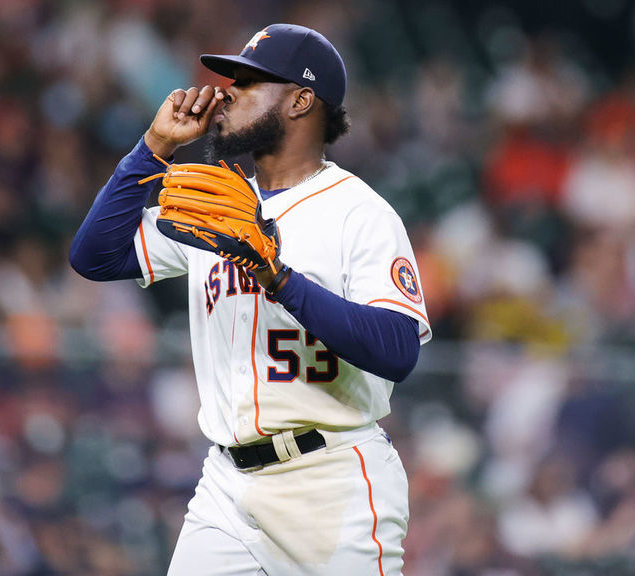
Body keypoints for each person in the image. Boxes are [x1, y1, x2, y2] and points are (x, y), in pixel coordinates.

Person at [69, 23, 431, 576]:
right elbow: (94, 255)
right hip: (226, 486)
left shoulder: (360, 213)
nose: (227, 92)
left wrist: (278, 277)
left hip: (331, 481)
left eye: (249, 81)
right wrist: (155, 147)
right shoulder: (217, 207)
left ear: (301, 101)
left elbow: (399, 350)